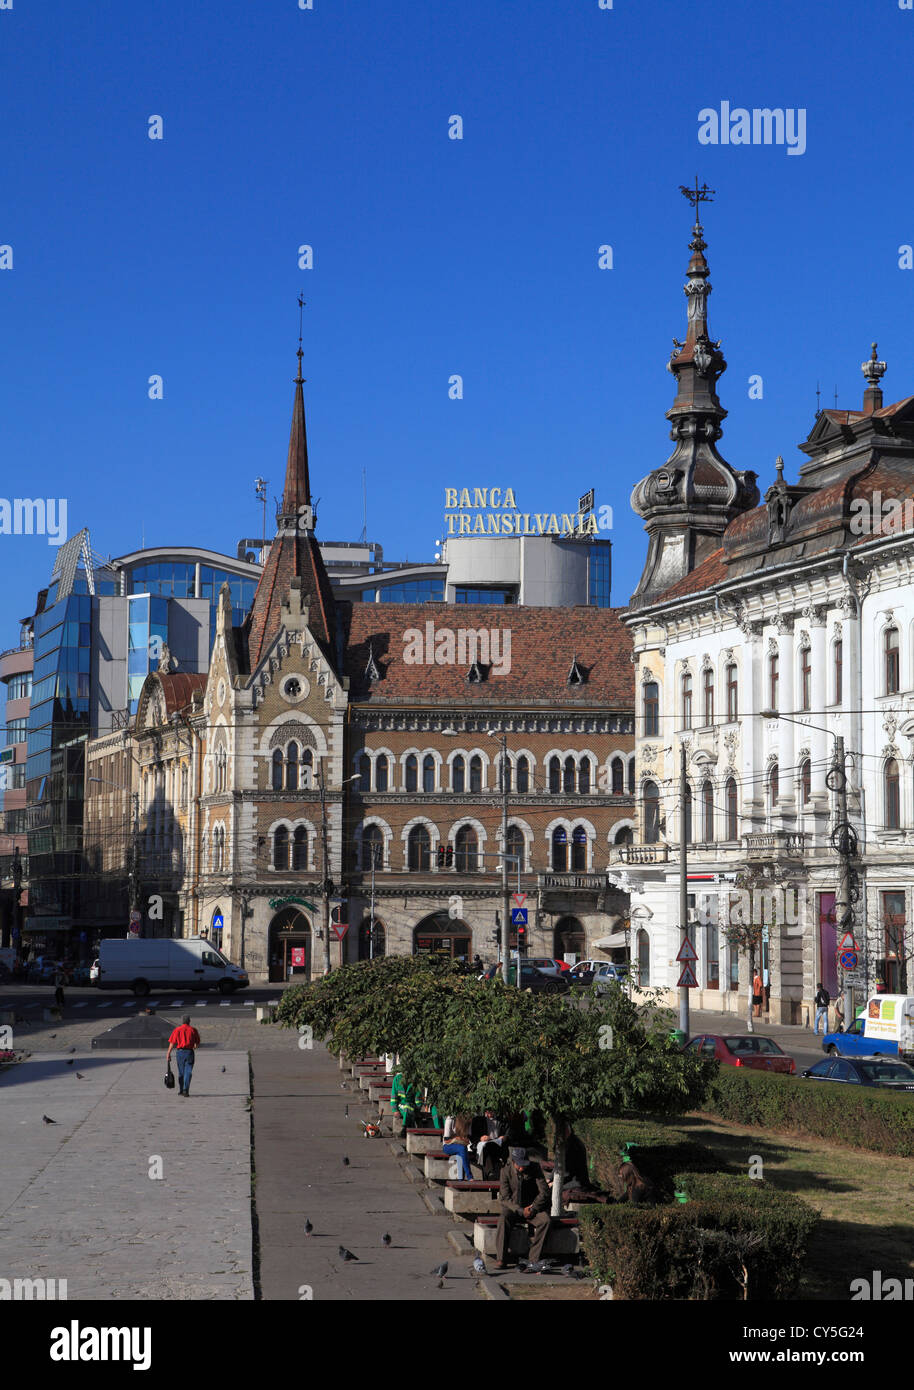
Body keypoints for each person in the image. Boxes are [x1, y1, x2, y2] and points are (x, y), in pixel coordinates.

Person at [494, 1147, 552, 1270]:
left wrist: (534, 1208)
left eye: (524, 1165)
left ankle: (533, 1258)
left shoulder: (535, 1168)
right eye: (519, 1165)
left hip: (532, 1207)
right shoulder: (505, 1171)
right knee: (503, 1219)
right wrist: (520, 1210)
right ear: (514, 1162)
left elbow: (544, 1192)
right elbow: (505, 1198)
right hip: (514, 1208)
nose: (522, 1168)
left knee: (545, 1220)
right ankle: (501, 1258)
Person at [166, 1014, 201, 1097]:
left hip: (180, 1053)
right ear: (189, 1021)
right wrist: (194, 1046)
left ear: (182, 1021)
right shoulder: (193, 1030)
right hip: (189, 1052)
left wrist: (168, 1053)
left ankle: (181, 1090)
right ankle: (186, 1089)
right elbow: (197, 1042)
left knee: (181, 1073)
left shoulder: (177, 1030)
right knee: (188, 1071)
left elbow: (172, 1043)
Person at [442, 1113, 474, 1181]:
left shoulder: (468, 1120)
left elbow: (468, 1139)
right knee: (462, 1148)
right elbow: (446, 1140)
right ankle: (469, 1176)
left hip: (462, 1146)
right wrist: (457, 1139)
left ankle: (460, 1179)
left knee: (461, 1153)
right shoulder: (450, 1119)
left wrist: (460, 1139)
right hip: (448, 1146)